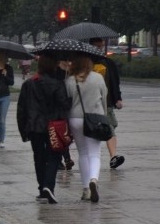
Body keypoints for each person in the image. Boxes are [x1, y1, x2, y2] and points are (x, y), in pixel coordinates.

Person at [17, 54, 71, 204]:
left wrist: (24, 130)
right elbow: (64, 105)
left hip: (35, 127)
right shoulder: (58, 83)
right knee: (54, 156)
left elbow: (22, 109)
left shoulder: (29, 83)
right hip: (54, 126)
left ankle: (42, 189)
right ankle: (49, 186)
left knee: (38, 157)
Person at [66, 54, 108, 203]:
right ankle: (94, 180)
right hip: (95, 119)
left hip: (75, 119)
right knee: (95, 154)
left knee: (82, 153)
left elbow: (68, 101)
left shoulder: (70, 80)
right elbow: (104, 98)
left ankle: (85, 190)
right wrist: (104, 116)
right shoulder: (98, 78)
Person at [88, 38, 125, 169]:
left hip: (106, 102)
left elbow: (114, 82)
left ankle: (113, 156)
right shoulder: (85, 62)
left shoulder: (108, 63)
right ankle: (65, 157)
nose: (100, 48)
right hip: (87, 104)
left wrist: (118, 98)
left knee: (109, 128)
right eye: (97, 46)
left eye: (101, 46)